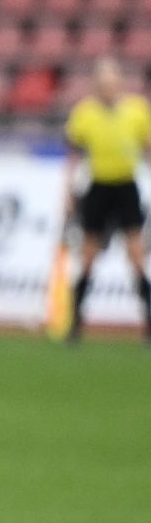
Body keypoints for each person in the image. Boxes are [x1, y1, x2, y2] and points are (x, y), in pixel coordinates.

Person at [63, 56, 151, 340]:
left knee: (136, 254)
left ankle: (148, 318)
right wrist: (68, 192)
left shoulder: (137, 111)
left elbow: (147, 149)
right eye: (103, 83)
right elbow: (74, 156)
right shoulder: (84, 114)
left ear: (120, 84)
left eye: (112, 83)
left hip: (126, 186)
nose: (108, 88)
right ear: (95, 86)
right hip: (98, 187)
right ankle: (76, 320)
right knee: (88, 255)